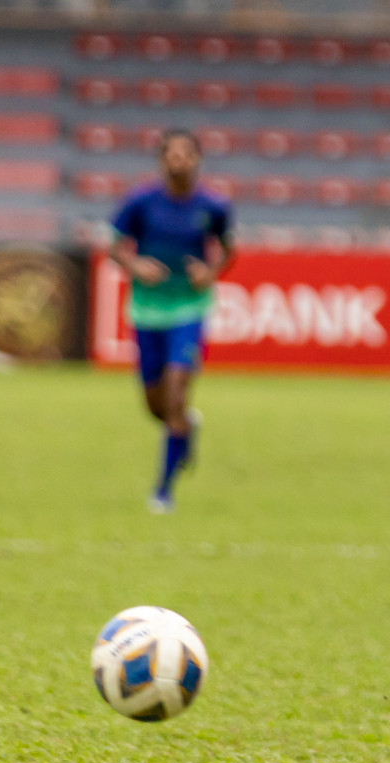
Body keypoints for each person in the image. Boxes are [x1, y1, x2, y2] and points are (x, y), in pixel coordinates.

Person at [108, 129, 234, 514]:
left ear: (198, 159)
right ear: (161, 160)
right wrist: (136, 264)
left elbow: (228, 250)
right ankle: (185, 429)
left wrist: (210, 273)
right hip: (146, 311)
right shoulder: (140, 202)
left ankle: (163, 491)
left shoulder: (213, 206)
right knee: (156, 406)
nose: (179, 160)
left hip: (188, 310)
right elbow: (114, 247)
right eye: (172, 154)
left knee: (177, 394)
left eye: (186, 153)